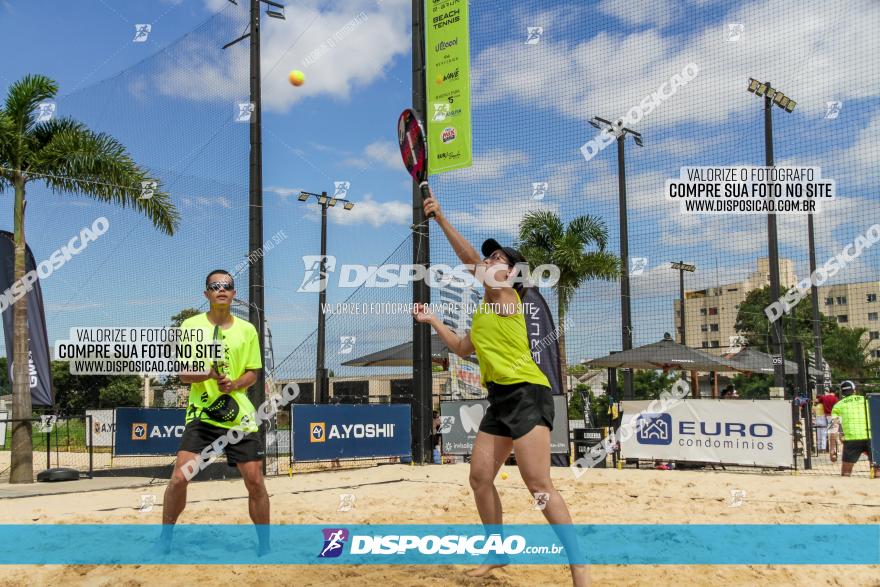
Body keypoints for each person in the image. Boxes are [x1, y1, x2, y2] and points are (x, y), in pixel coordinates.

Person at [413, 192, 588, 586]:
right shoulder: (484, 309)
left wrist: (440, 218)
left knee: (539, 486)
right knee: (478, 477)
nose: (491, 262)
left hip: (528, 393)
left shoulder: (506, 296)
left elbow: (470, 263)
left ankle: (578, 564)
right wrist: (435, 321)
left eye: (499, 260)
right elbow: (461, 348)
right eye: (491, 258)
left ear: (512, 274)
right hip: (500, 400)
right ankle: (497, 550)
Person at [159, 270, 268, 553]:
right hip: (203, 414)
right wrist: (207, 372)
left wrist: (234, 384)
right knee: (179, 478)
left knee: (255, 481)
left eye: (227, 286)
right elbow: (183, 374)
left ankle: (265, 546)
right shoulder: (190, 326)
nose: (221, 289)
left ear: (233, 293)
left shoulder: (248, 330)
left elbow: (253, 373)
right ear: (206, 293)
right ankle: (165, 539)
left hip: (239, 415)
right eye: (215, 286)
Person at [831, 380, 878, 478]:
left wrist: (832, 449)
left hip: (852, 439)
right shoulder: (866, 400)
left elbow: (834, 430)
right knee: (877, 471)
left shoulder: (838, 405)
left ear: (842, 392)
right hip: (871, 437)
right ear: (854, 390)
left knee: (846, 473)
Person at [819, 389, 841, 461]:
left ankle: (831, 449)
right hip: (834, 416)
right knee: (835, 433)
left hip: (826, 416)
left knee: (830, 434)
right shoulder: (836, 399)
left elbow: (817, 400)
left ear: (829, 391)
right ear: (835, 392)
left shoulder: (824, 397)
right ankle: (835, 450)